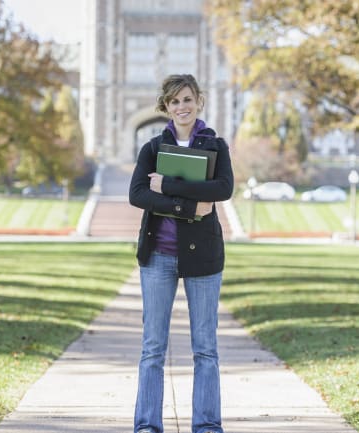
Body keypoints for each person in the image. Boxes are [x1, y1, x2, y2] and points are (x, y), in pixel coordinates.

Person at [129, 74, 233, 433]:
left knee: (205, 348)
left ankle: (206, 426)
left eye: (187, 99)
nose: (182, 107)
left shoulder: (216, 146)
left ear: (198, 101)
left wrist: (170, 186)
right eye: (174, 101)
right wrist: (189, 207)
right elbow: (139, 195)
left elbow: (222, 188)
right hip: (159, 256)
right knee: (152, 348)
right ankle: (146, 426)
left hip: (203, 258)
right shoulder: (152, 149)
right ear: (165, 107)